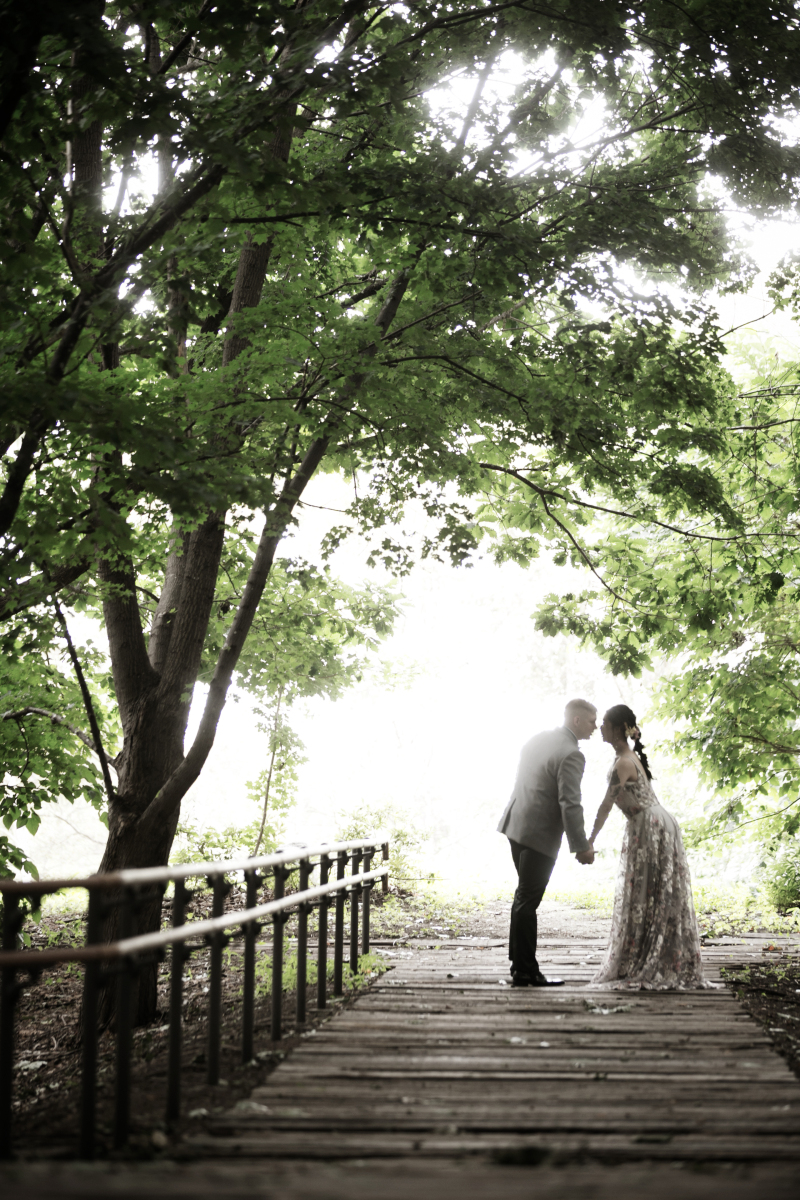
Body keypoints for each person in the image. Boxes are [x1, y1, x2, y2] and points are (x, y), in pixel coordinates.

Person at [588, 704, 709, 990]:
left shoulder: (625, 762)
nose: (600, 727)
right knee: (646, 892)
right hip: (646, 825)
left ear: (619, 728)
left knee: (652, 892)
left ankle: (657, 958)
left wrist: (589, 839)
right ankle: (642, 952)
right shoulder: (624, 758)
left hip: (651, 827)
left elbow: (607, 804)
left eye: (604, 722)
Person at [497, 699, 597, 987]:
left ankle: (520, 967)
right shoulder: (571, 754)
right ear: (577, 720)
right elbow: (570, 803)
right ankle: (526, 971)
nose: (595, 726)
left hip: (516, 826)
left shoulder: (537, 739)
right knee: (528, 900)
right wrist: (581, 846)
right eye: (592, 720)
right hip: (539, 834)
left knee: (523, 897)